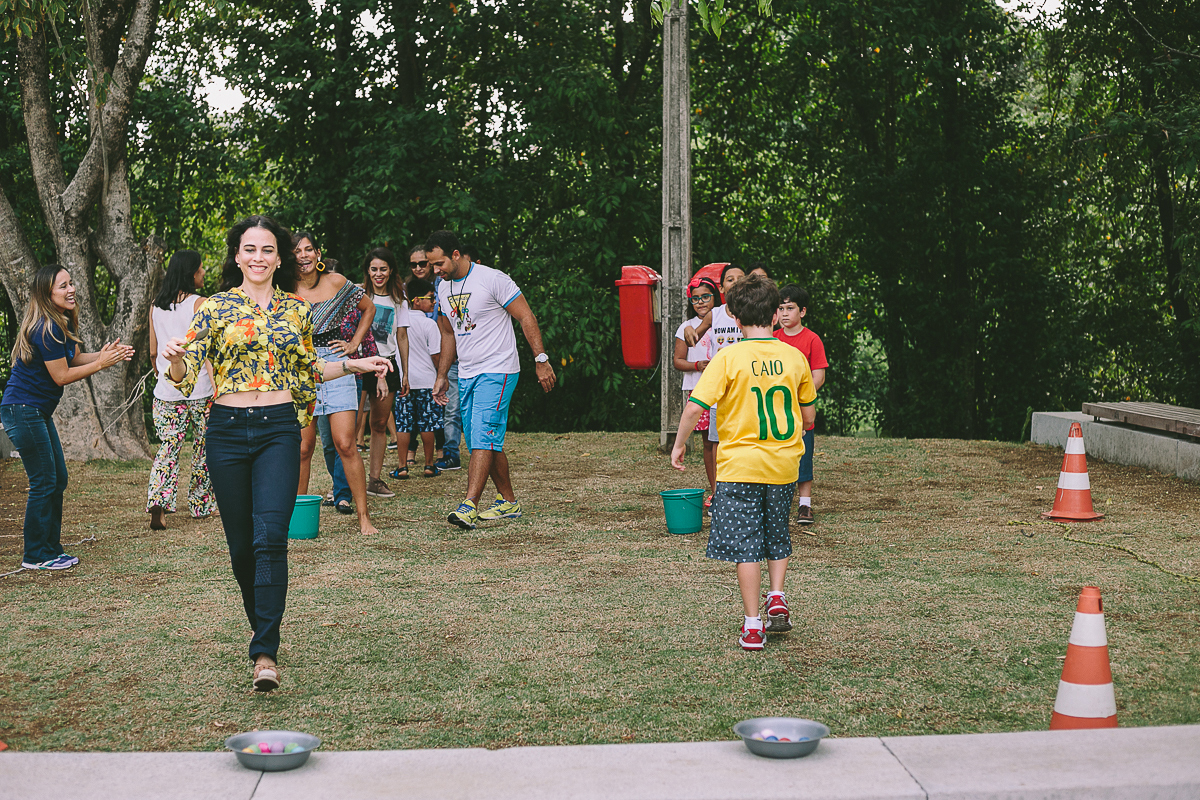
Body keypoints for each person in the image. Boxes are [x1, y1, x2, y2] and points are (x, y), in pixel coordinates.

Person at [161, 214, 391, 692]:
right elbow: (183, 376)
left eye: (267, 250)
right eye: (249, 249)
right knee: (242, 546)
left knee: (271, 538)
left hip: (278, 431)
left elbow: (309, 369)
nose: (258, 257)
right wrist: (178, 361)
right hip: (225, 430)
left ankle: (265, 650)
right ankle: (260, 620)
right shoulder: (214, 308)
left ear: (279, 257)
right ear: (237, 256)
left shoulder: (295, 310)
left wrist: (354, 363)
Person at [670, 274, 816, 651]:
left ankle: (753, 626)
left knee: (746, 545)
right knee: (777, 533)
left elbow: (694, 407)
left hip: (738, 468)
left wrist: (680, 444)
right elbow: (809, 412)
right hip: (783, 466)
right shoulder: (795, 356)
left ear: (734, 318)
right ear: (774, 315)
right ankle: (778, 595)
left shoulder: (728, 357)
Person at [1, 266, 134, 571]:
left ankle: (50, 548)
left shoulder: (57, 323)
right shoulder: (46, 328)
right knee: (44, 481)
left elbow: (72, 360)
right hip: (22, 410)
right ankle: (36, 555)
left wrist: (104, 354)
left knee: (57, 478)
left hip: (34, 411)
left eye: (71, 283)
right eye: (63, 286)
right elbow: (61, 376)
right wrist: (101, 364)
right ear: (48, 295)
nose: (71, 289)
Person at [426, 230, 556, 529]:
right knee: (481, 441)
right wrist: (443, 374)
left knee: (483, 434)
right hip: (468, 372)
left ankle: (469, 505)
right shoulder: (443, 288)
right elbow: (448, 333)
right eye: (432, 265)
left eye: (439, 263)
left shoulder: (492, 278)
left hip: (498, 369)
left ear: (456, 254)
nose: (436, 270)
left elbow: (526, 316)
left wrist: (541, 360)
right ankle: (508, 502)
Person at [293, 232, 381, 533]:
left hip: (337, 362)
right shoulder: (282, 289)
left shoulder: (336, 281)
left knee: (346, 443)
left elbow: (368, 308)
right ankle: (298, 519)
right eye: (297, 251)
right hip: (301, 366)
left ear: (318, 254)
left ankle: (363, 518)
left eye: (309, 249)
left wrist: (355, 343)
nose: (303, 255)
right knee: (303, 448)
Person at [146, 250, 217, 530]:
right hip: (200, 390)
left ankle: (159, 501)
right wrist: (216, 388)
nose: (203, 274)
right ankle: (201, 505)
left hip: (166, 391)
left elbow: (154, 353)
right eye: (200, 270)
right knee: (204, 447)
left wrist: (163, 377)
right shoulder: (201, 304)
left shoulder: (156, 306)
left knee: (167, 447)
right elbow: (209, 353)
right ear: (191, 274)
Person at [682, 263, 747, 510]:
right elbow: (693, 337)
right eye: (730, 279)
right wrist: (689, 328)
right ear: (722, 287)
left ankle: (742, 490)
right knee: (717, 442)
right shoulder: (715, 314)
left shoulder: (751, 314)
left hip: (743, 386)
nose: (735, 283)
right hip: (721, 388)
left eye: (741, 279)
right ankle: (718, 492)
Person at [774, 284, 829, 525]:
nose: (784, 313)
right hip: (776, 411)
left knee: (803, 457)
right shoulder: (772, 339)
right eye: (780, 308)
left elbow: (819, 375)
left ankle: (805, 506)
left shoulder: (812, 340)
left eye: (790, 308)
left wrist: (801, 396)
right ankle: (778, 504)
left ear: (803, 312)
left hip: (802, 410)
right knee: (778, 456)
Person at [361, 247, 410, 498]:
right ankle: (347, 484)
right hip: (360, 364)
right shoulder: (358, 295)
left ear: (391, 271)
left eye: (383, 269)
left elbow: (401, 336)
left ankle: (374, 480)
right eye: (374, 269)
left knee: (379, 423)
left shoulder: (399, 299)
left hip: (388, 365)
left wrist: (405, 373)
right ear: (367, 271)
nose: (378, 274)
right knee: (349, 427)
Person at [672, 277, 719, 503]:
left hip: (725, 389)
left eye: (706, 297)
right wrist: (697, 366)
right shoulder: (686, 327)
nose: (701, 302)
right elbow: (678, 361)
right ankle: (715, 489)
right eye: (695, 299)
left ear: (715, 297)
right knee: (708, 443)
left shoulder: (724, 320)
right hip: (699, 391)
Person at [392, 277, 443, 478]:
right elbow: (436, 355)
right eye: (430, 298)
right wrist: (442, 376)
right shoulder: (429, 324)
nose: (433, 302)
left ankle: (402, 466)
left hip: (403, 381)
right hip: (427, 382)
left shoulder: (398, 322)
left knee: (403, 424)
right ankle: (429, 465)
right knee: (427, 424)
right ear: (416, 300)